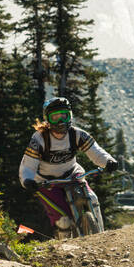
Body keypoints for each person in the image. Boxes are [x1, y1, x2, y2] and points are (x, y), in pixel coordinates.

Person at [19, 96, 117, 235]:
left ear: (70, 116)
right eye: (55, 117)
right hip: (46, 182)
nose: (60, 121)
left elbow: (95, 151)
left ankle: (100, 235)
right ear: (47, 119)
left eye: (64, 116)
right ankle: (64, 244)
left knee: (92, 199)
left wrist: (108, 161)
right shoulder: (39, 139)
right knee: (63, 220)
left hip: (73, 174)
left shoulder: (76, 134)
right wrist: (27, 180)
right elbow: (28, 163)